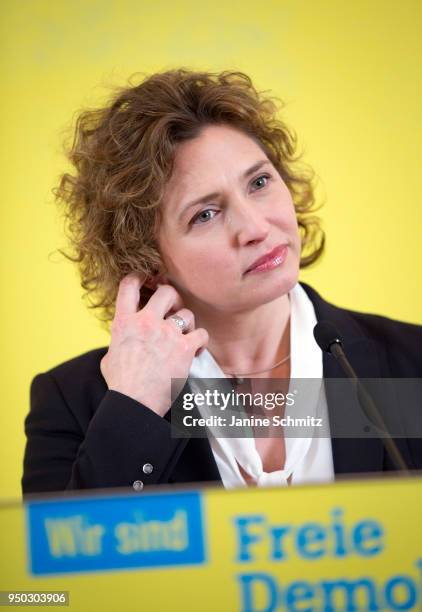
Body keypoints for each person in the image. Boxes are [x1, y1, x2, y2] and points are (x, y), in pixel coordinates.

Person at [22, 69, 422, 495]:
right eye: (205, 214)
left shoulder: (412, 363)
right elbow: (73, 556)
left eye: (260, 182)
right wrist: (135, 407)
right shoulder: (74, 402)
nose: (255, 226)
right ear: (148, 260)